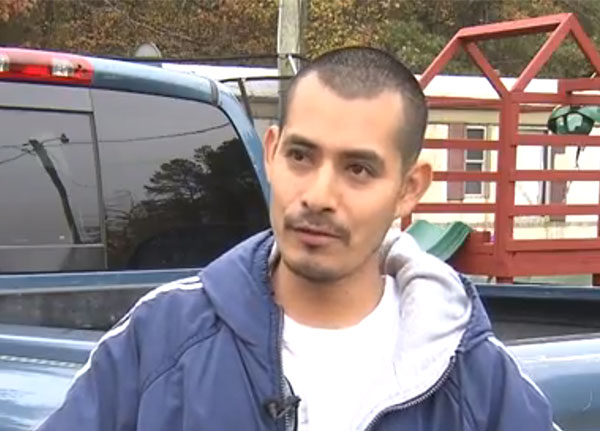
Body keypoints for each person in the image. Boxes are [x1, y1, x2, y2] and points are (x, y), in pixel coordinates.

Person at [37, 46, 553, 431]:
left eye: (358, 169)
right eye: (301, 156)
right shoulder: (159, 339)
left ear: (408, 189)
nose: (318, 195)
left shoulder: (473, 374)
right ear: (271, 152)